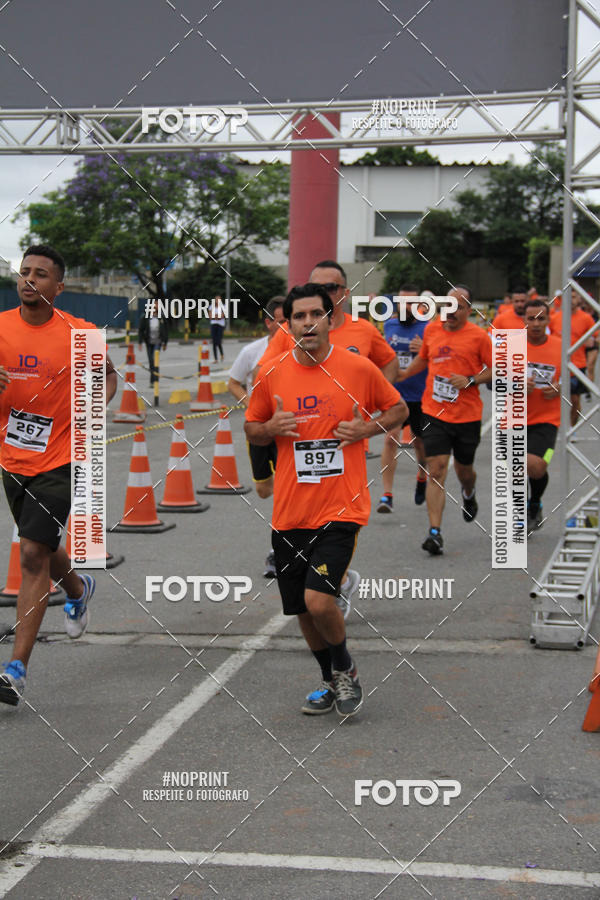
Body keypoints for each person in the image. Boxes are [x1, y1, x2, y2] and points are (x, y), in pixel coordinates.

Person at [245, 283, 406, 717]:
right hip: (290, 511)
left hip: (341, 507)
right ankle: (328, 679)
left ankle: (345, 667)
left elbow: (398, 411)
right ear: (288, 324)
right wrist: (270, 428)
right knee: (300, 608)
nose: (307, 323)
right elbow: (252, 428)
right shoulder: (271, 372)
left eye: (316, 314)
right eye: (298, 316)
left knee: (320, 600)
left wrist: (366, 430)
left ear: (330, 320)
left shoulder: (357, 369)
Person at [0, 245, 117, 707]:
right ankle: (77, 586)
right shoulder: (1, 328)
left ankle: (15, 669)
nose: (30, 279)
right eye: (24, 272)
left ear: (59, 286)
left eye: (41, 274)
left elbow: (108, 377)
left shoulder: (80, 332)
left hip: (62, 458)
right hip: (12, 459)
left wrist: (95, 408)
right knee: (45, 550)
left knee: (31, 553)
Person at [257, 260, 399, 615]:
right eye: (317, 286)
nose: (326, 294)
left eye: (332, 288)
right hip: (294, 440)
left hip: (345, 445)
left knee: (337, 527)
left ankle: (330, 586)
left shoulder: (363, 331)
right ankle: (337, 583)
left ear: (343, 293)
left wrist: (371, 410)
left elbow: (388, 364)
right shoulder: (290, 332)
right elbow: (267, 376)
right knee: (299, 522)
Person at [397, 286, 492, 555]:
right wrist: (403, 374)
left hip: (467, 416)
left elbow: (496, 368)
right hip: (434, 411)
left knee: (464, 471)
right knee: (436, 469)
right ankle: (435, 532)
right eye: (448, 306)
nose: (451, 312)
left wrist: (470, 380)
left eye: (459, 307)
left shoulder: (478, 336)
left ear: (469, 311)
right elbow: (424, 359)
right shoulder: (432, 330)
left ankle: (469, 493)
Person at [228, 296, 285, 577]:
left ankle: (280, 550)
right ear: (268, 322)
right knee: (264, 490)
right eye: (281, 320)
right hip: (260, 429)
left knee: (286, 489)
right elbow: (233, 382)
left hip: (288, 432)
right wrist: (250, 403)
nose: (286, 325)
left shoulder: (300, 350)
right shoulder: (253, 351)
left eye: (290, 319)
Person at [378, 285, 428, 512]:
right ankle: (387, 495)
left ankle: (422, 475)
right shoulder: (389, 324)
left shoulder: (428, 328)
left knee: (420, 442)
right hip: (396, 394)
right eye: (403, 303)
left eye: (411, 303)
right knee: (390, 439)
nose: (407, 307)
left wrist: (424, 349)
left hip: (420, 395)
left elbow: (439, 358)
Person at [523, 299, 562, 531]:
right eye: (531, 319)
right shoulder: (511, 347)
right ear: (524, 320)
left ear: (548, 320)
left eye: (541, 319)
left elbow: (577, 378)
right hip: (514, 418)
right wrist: (515, 384)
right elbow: (491, 383)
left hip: (547, 420)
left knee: (536, 466)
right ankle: (521, 516)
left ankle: (535, 502)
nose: (536, 324)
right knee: (517, 469)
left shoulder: (560, 346)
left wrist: (561, 387)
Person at [550, 290, 596, 426]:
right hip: (557, 366)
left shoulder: (586, 318)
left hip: (578, 366)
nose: (571, 299)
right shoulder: (555, 318)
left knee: (575, 401)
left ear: (579, 300)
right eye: (569, 296)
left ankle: (572, 428)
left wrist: (592, 341)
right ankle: (552, 426)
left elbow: (596, 337)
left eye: (575, 296)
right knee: (552, 398)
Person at [138, 303, 168, 384]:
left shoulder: (161, 317)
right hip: (149, 343)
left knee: (155, 360)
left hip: (158, 342)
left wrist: (165, 342)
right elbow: (141, 330)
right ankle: (152, 380)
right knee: (151, 361)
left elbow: (165, 330)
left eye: (157, 306)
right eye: (154, 306)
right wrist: (140, 342)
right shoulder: (145, 317)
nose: (155, 308)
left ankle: (156, 381)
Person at [210, 295, 226, 363]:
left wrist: (215, 315)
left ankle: (222, 354)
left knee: (218, 341)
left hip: (220, 325)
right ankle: (215, 359)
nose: (218, 301)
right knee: (214, 342)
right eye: (216, 300)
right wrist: (217, 315)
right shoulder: (211, 306)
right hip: (213, 324)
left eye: (219, 300)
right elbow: (210, 316)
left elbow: (222, 316)